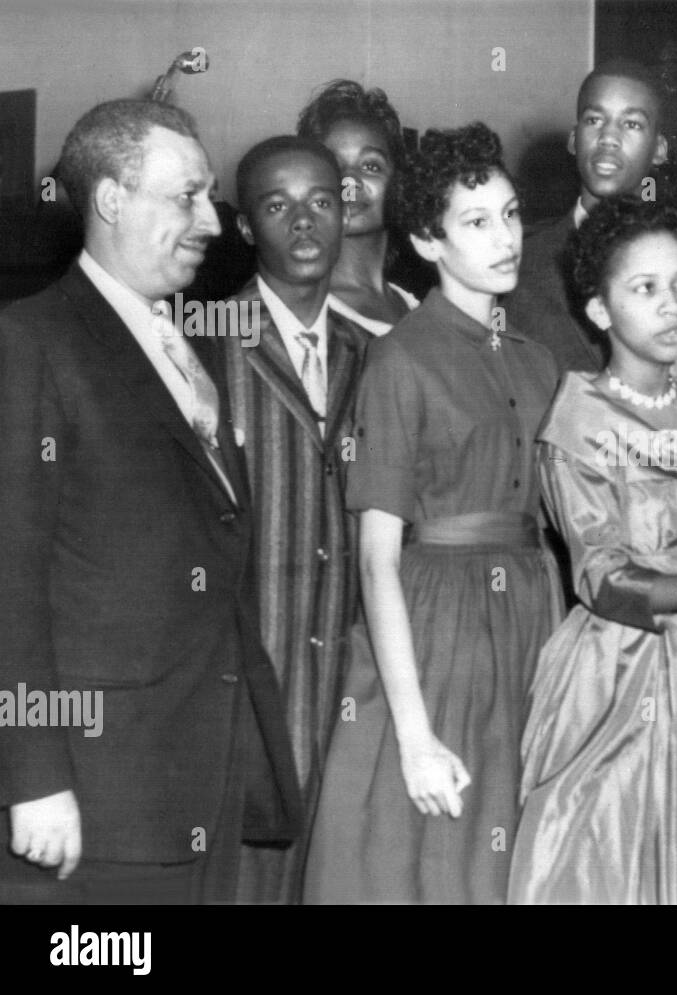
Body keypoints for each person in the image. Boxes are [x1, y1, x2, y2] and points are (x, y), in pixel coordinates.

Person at [0, 99, 301, 904]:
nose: (212, 220)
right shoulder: (30, 341)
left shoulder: (187, 343)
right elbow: (9, 580)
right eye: (186, 197)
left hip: (200, 773)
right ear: (109, 200)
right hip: (98, 792)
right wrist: (32, 777)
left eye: (211, 197)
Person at [303, 122, 562, 904]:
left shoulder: (538, 357)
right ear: (427, 239)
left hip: (533, 625)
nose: (506, 238)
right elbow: (377, 557)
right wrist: (414, 739)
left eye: (512, 214)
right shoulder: (400, 358)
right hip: (435, 630)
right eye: (476, 222)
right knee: (434, 863)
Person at [508, 197, 677, 904]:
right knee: (595, 864)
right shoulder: (579, 412)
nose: (671, 304)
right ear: (598, 310)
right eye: (644, 289)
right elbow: (605, 580)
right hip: (617, 667)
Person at [224, 136, 374, 903]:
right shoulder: (203, 346)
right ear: (247, 226)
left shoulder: (372, 357)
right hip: (246, 702)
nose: (306, 223)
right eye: (278, 207)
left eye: (322, 200)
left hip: (347, 698)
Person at [508, 59, 670, 376]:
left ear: (660, 149)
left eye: (632, 124)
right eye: (595, 120)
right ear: (574, 138)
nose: (609, 137)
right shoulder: (518, 267)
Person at [297, 79, 420, 334]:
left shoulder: (415, 306)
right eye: (334, 165)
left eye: (371, 166)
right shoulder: (297, 312)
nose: (351, 182)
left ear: (398, 180)